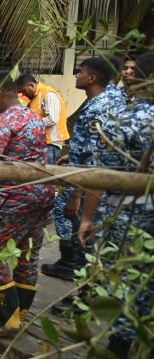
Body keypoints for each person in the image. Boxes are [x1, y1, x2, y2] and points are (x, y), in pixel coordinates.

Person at [77, 52, 154, 359]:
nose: (127, 73)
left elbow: (102, 172)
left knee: (122, 281)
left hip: (127, 211)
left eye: (134, 70)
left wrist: (86, 216)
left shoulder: (128, 118)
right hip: (140, 209)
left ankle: (118, 354)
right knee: (144, 282)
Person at [0, 70, 54, 339]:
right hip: (42, 194)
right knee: (27, 253)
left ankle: (5, 320)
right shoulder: (33, 116)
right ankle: (20, 316)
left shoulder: (4, 120)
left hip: (14, 196)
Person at [44, 56, 126, 281]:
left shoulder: (98, 107)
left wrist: (77, 195)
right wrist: (75, 154)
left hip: (89, 183)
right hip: (87, 174)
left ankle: (82, 290)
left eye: (80, 72)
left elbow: (98, 157)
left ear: (92, 78)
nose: (76, 76)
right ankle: (75, 273)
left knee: (85, 234)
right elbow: (97, 144)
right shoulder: (107, 99)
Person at [16, 73, 68, 165]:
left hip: (50, 143)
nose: (24, 95)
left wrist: (29, 125)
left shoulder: (48, 94)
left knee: (46, 175)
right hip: (41, 143)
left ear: (31, 85)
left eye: (24, 91)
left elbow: (52, 119)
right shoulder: (36, 97)